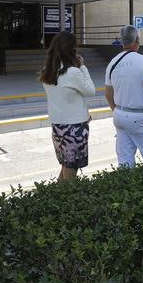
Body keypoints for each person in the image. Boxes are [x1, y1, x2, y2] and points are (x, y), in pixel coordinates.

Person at [104, 25, 143, 167]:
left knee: (125, 162)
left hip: (120, 116)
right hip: (141, 117)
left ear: (122, 42)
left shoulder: (112, 63)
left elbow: (108, 94)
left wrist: (117, 110)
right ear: (137, 40)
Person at [40, 31, 96, 181]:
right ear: (72, 50)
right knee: (72, 166)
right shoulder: (73, 72)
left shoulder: (47, 72)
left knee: (66, 163)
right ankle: (70, 199)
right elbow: (91, 91)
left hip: (58, 126)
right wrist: (83, 67)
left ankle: (58, 191)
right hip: (74, 127)